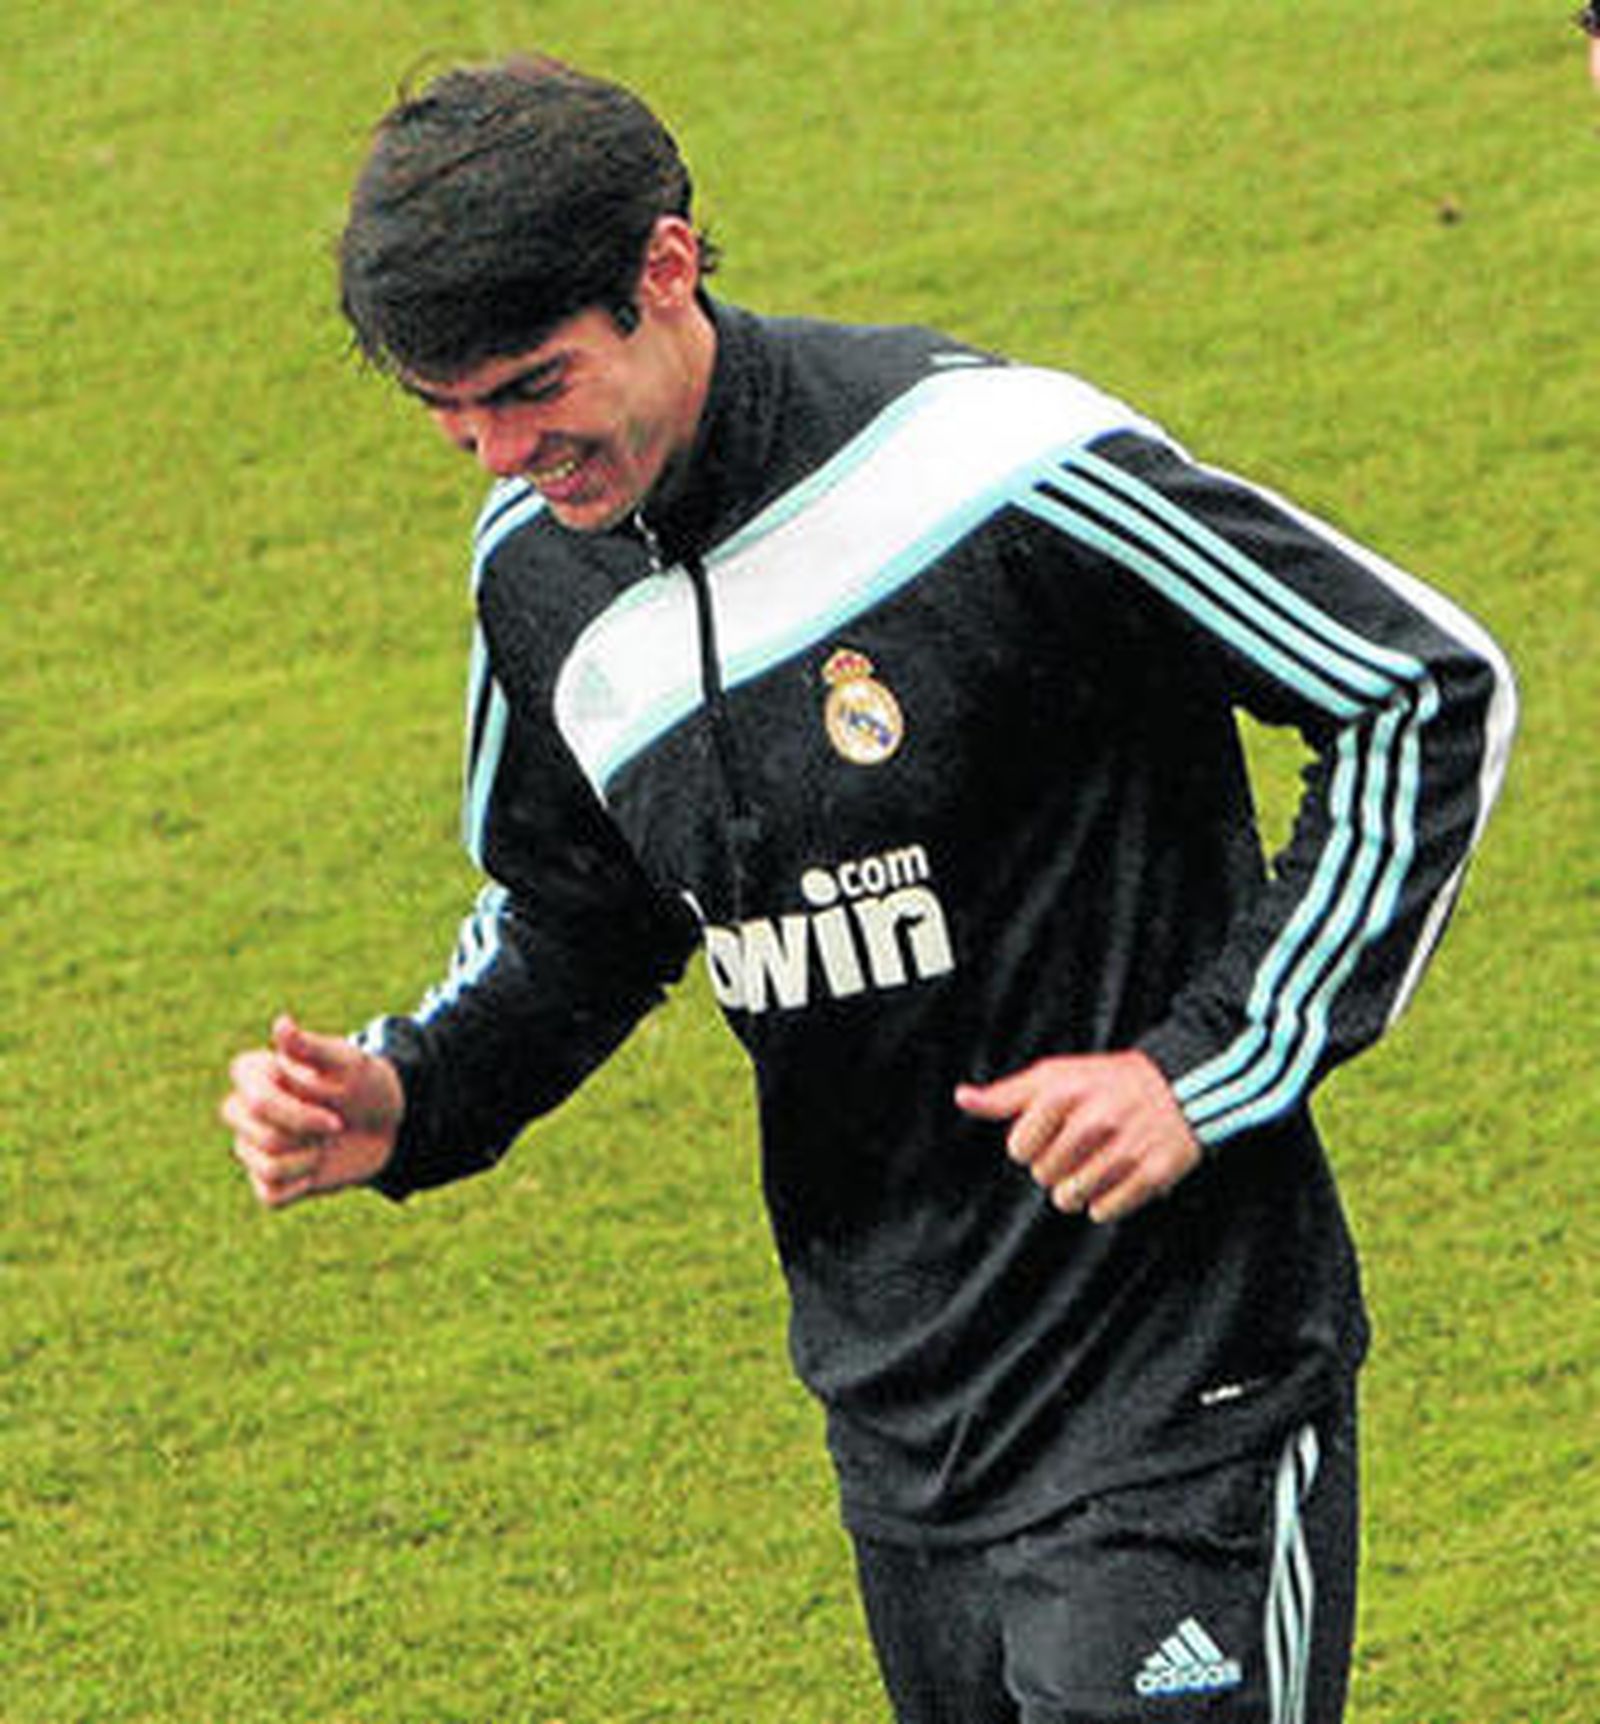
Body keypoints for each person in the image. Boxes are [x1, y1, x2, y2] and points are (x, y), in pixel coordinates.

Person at [221, 54, 1517, 1723]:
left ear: (667, 271)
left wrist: (1207, 1064)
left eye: (532, 385)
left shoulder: (1001, 471)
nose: (494, 451)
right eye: (447, 412)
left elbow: (1417, 685)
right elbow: (575, 913)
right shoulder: (539, 573)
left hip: (1173, 1372)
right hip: (899, 1415)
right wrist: (414, 1092)